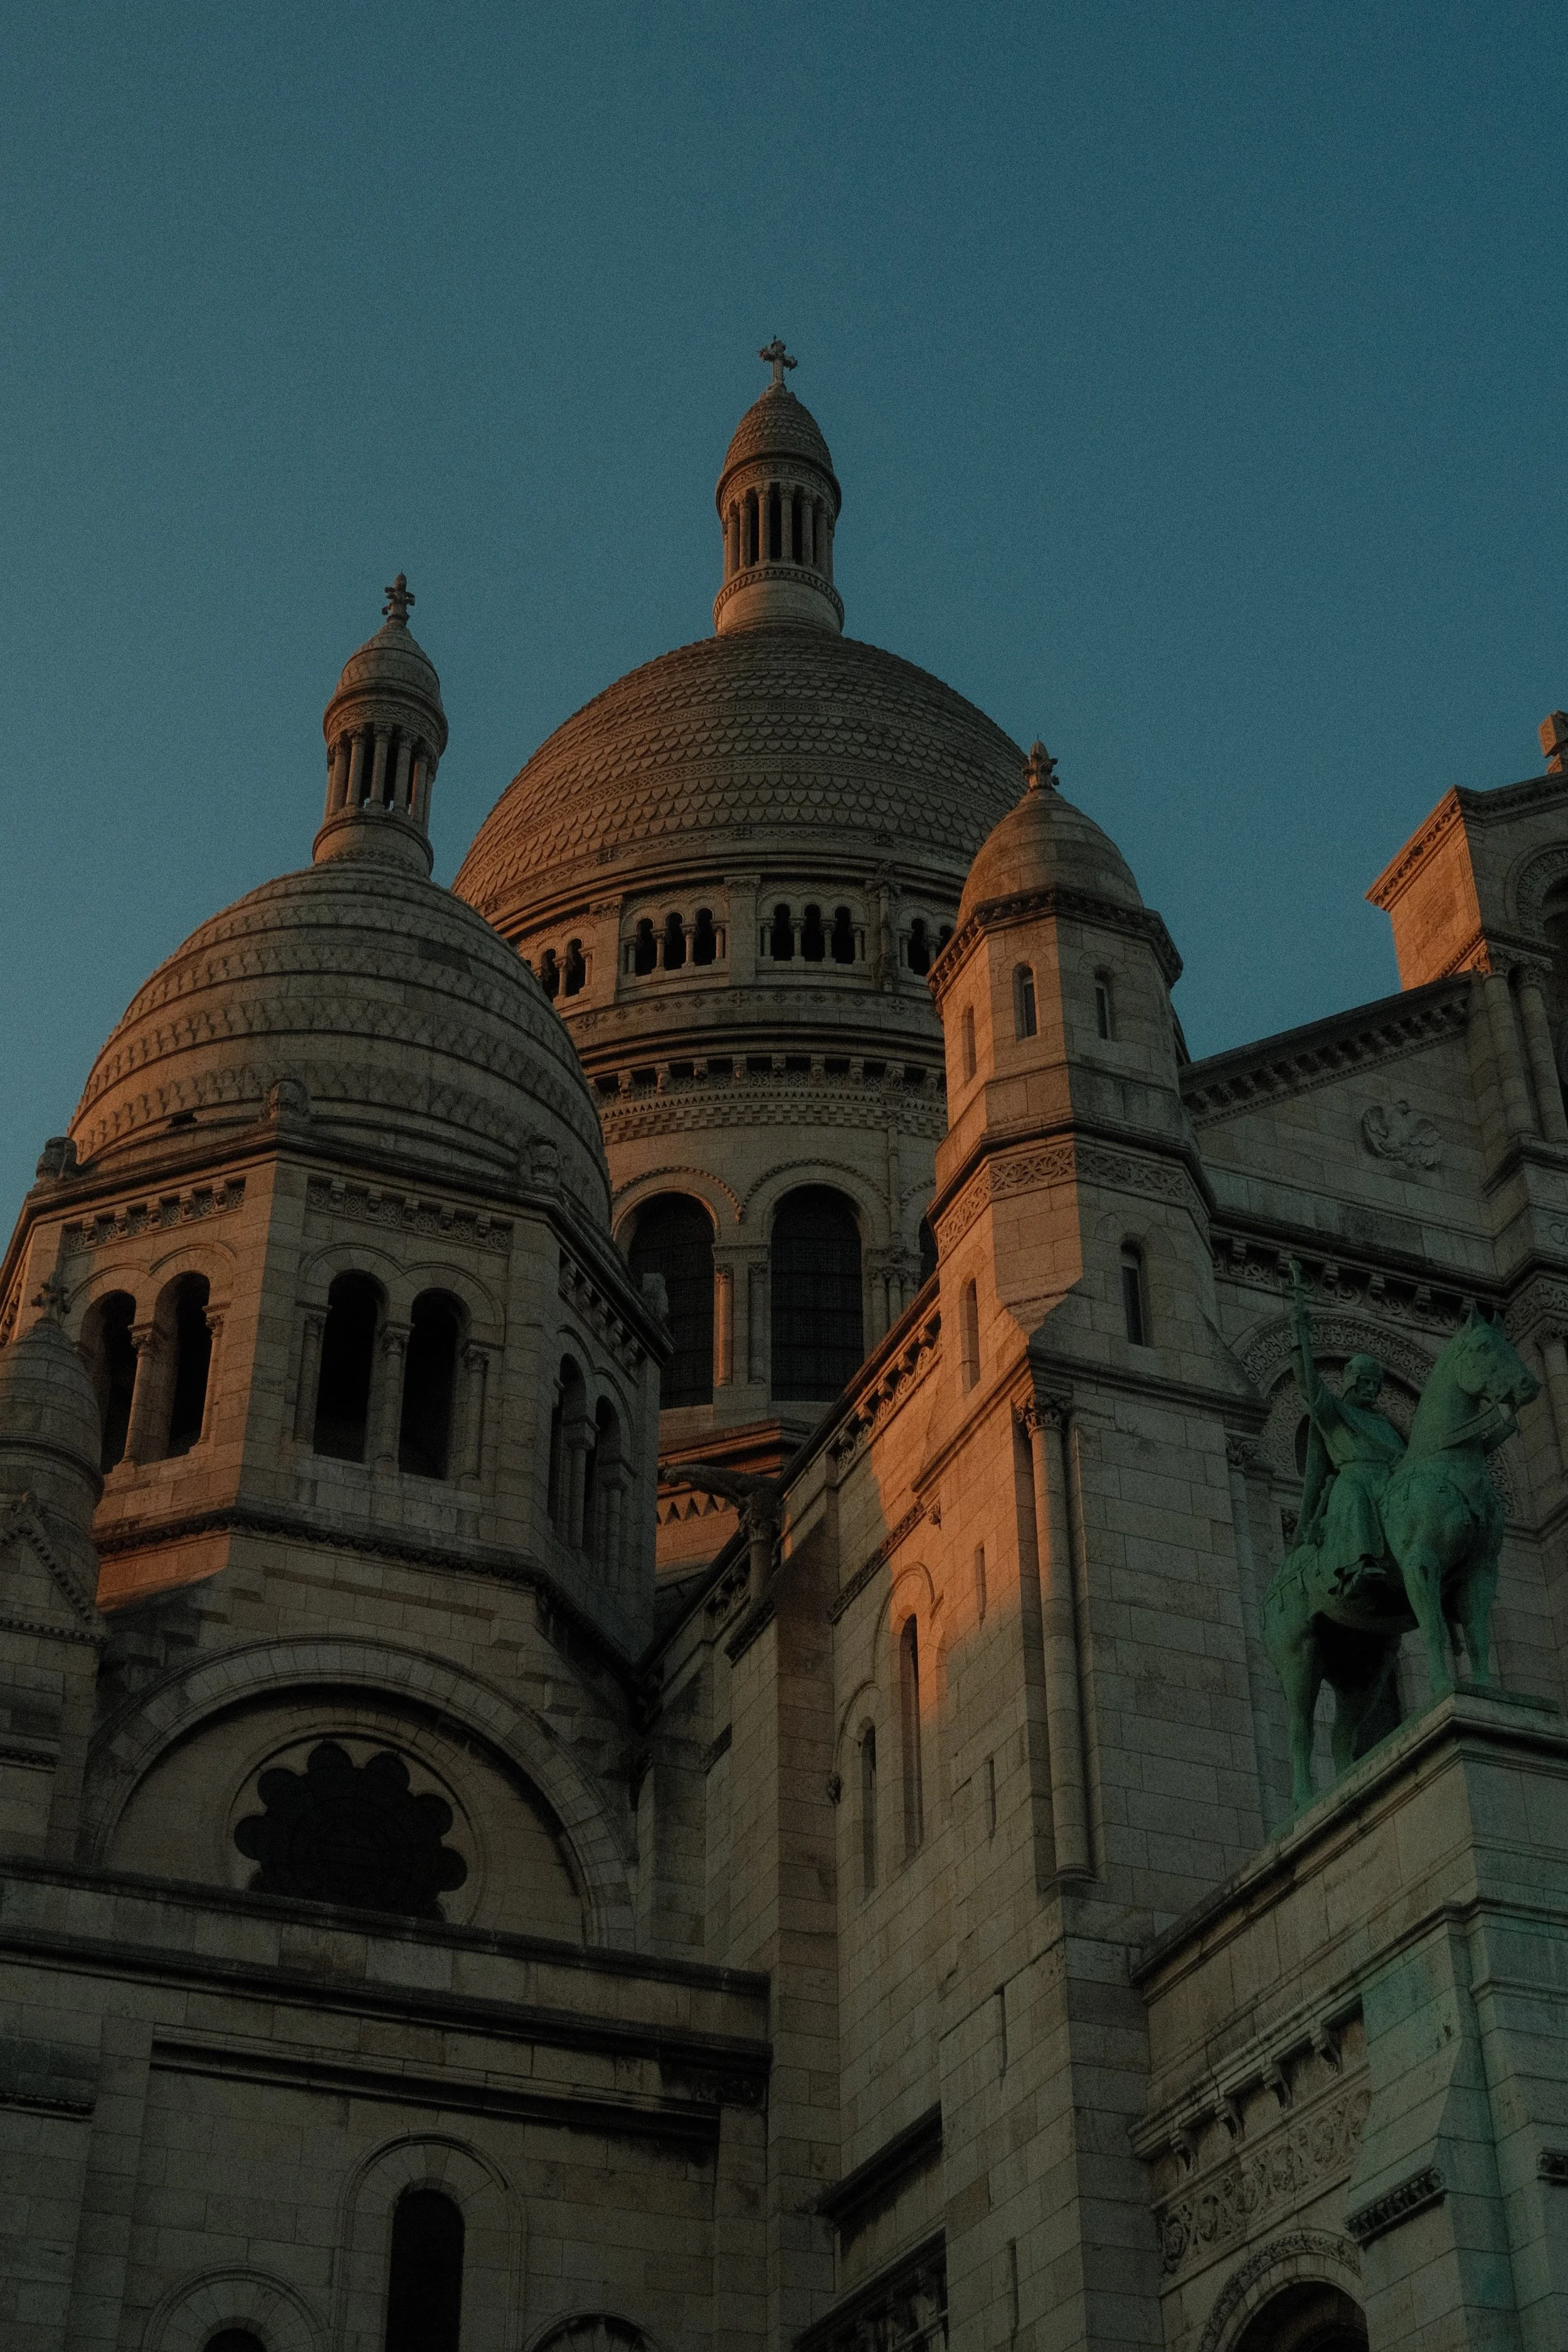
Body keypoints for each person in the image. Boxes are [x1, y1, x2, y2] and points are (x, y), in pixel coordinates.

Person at [1288, 1258, 1406, 1603]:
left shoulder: (1387, 1425)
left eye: (1376, 1385)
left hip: (1387, 1479)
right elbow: (1310, 1388)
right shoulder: (1335, 1413)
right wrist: (1299, 1339)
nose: (1372, 1390)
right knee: (1353, 1493)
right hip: (1353, 1479)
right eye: (1365, 1383)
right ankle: (1360, 1563)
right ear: (1352, 1383)